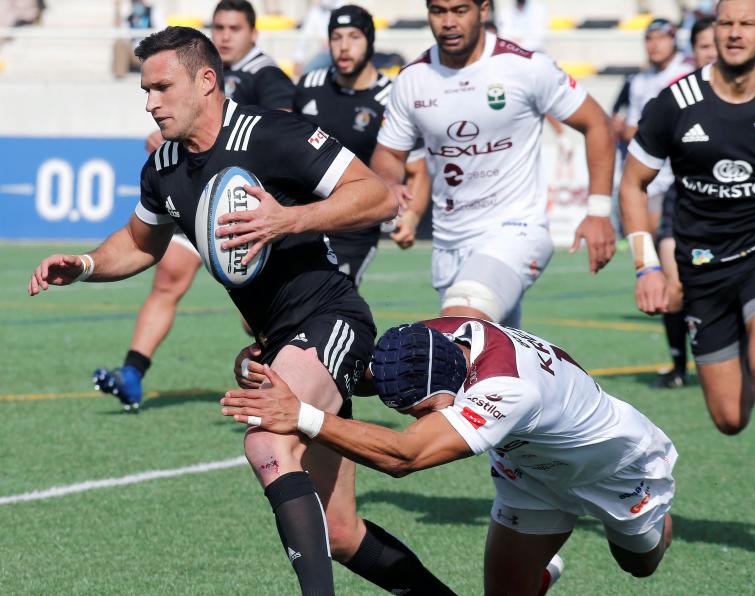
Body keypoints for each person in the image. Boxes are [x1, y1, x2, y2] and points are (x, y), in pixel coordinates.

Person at [29, 26, 454, 595]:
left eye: (162, 87)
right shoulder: (166, 167)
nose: (151, 103)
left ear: (206, 81)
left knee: (267, 441)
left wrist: (289, 219)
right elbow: (139, 243)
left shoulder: (272, 134)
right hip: (278, 342)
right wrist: (82, 264)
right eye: (145, 91)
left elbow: (375, 194)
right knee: (342, 532)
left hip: (331, 319)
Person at [222, 317, 676, 593]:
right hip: (528, 473)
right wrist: (274, 363)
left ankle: (656, 520)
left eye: (426, 411)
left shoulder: (505, 389)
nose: (422, 420)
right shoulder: (431, 340)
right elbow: (361, 372)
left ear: (458, 386)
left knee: (639, 564)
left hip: (615, 468)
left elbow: (404, 456)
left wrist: (299, 413)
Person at [619, 0, 755, 562]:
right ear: (712, 31)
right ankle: (752, 349)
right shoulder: (675, 103)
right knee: (728, 418)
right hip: (701, 270)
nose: (736, 33)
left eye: (748, 23)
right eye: (726, 23)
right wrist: (648, 264)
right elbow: (633, 185)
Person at [94, 0, 296, 412]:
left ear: (253, 34)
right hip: (194, 193)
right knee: (167, 279)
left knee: (259, 308)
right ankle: (132, 372)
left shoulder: (265, 74)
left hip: (242, 205)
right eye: (218, 26)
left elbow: (279, 129)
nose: (224, 35)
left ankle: (299, 371)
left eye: (234, 28)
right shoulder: (191, 72)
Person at [371, 0, 617, 330]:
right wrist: (389, 183)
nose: (447, 22)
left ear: (483, 10)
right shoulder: (412, 80)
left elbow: (598, 123)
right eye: (438, 11)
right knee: (489, 366)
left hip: (515, 230)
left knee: (459, 329)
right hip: (449, 244)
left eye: (459, 10)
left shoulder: (525, 67)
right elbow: (389, 154)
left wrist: (599, 211)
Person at [293, 4, 430, 287]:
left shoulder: (391, 97)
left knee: (321, 299)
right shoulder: (310, 84)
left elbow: (418, 171)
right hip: (304, 218)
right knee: (262, 318)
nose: (344, 47)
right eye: (336, 37)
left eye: (354, 37)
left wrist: (412, 217)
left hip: (353, 228)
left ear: (369, 42)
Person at [622, 18, 695, 389]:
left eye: (660, 39)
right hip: (656, 188)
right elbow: (619, 122)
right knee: (671, 279)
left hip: (689, 187)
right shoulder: (636, 82)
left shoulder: (689, 73)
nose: (654, 46)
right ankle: (679, 365)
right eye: (648, 39)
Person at [651, 15, 718, 390]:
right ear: (693, 52)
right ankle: (678, 366)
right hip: (681, 200)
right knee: (672, 283)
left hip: (733, 209)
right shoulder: (676, 96)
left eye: (715, 44)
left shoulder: (751, 91)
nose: (712, 53)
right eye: (704, 47)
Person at [112, 0, 164, 79]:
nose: (136, 4)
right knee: (119, 43)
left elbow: (162, 31)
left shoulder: (153, 12)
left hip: (150, 52)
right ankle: (119, 78)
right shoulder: (130, 18)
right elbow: (119, 30)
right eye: (134, 2)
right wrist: (117, 8)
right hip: (135, 54)